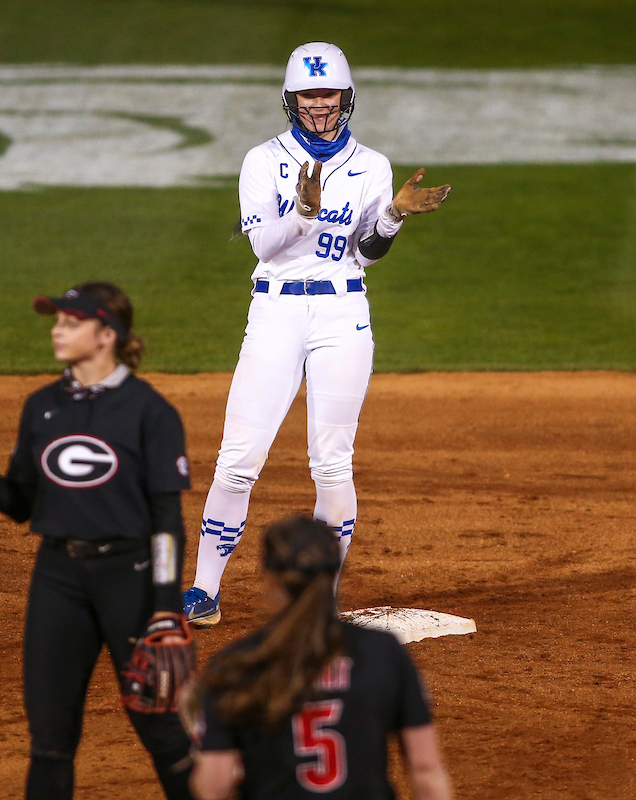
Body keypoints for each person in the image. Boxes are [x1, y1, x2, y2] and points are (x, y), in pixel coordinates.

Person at [184, 42, 451, 626]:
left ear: (345, 97)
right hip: (275, 313)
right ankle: (204, 589)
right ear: (292, 99)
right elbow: (263, 246)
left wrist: (393, 217)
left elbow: (368, 253)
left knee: (332, 464)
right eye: (309, 95)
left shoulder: (371, 165)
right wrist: (303, 212)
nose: (319, 106)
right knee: (237, 461)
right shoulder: (262, 160)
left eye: (327, 93)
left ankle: (320, 602)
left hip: (342, 315)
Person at [0, 282, 195, 800]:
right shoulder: (42, 406)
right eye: (57, 321)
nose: (57, 330)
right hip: (57, 579)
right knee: (50, 741)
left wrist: (166, 607)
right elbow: (22, 506)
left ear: (106, 335)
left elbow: (168, 522)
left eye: (70, 322)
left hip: (131, 580)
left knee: (162, 731)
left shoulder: (151, 412)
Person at [188, 516, 452, 800]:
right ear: (337, 571)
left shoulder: (237, 666)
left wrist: (189, 727)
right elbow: (425, 771)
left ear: (269, 578)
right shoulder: (383, 653)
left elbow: (213, 786)